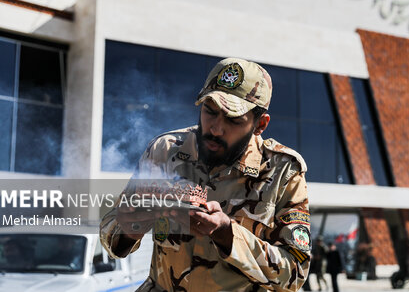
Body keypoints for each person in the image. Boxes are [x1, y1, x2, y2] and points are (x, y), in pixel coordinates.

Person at [100, 57, 311, 292]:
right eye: (209, 111)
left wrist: (226, 234)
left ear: (260, 124)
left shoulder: (283, 170)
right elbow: (110, 232)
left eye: (232, 119)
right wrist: (134, 223)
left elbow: (295, 273)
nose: (215, 128)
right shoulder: (165, 150)